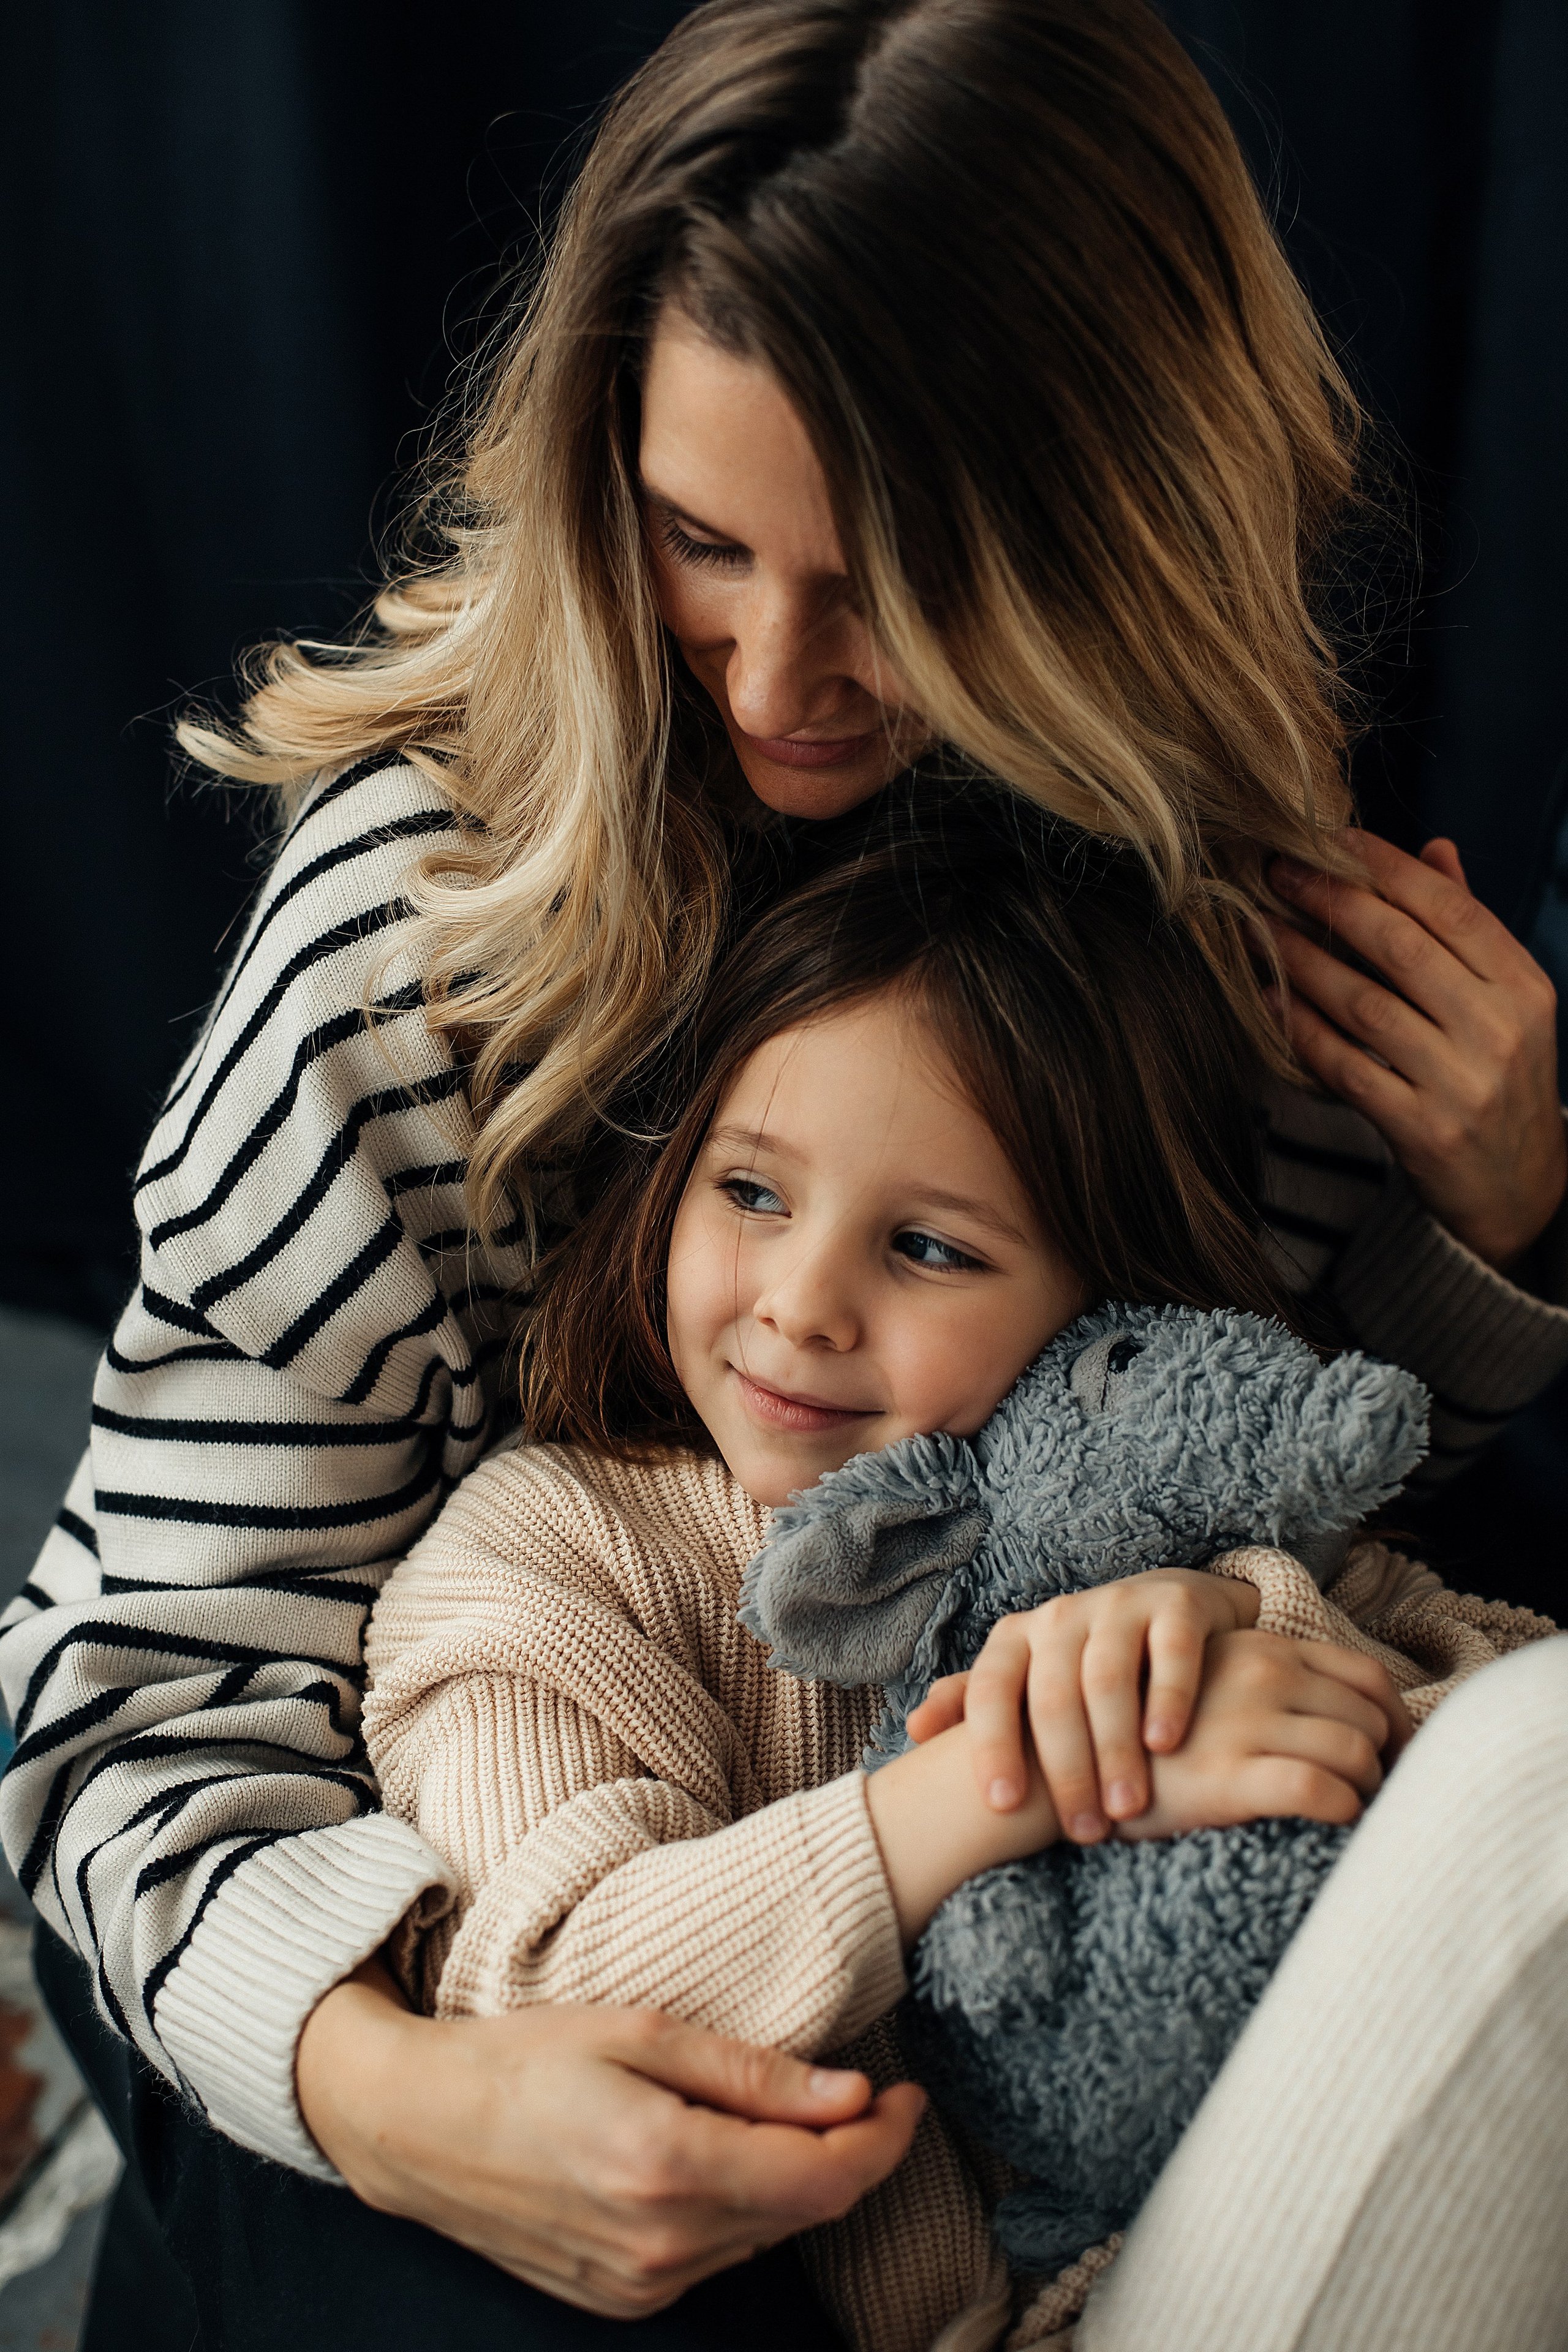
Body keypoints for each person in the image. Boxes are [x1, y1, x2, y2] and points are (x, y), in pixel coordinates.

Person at [2, 0, 1564, 2340]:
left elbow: (1240, 1456)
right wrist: (404, 2100)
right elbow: (137, 1706)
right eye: (699, 542)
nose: (770, 681)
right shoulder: (415, 940)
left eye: (899, 581)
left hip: (972, 2030)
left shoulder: (1239, 939)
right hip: (396, 1920)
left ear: (1117, 530)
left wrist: (1499, 1221)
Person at [362, 801, 1419, 2352]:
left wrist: (1237, 1626)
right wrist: (1014, 1776)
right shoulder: (539, 1563)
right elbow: (546, 1990)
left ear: (1100, 1301)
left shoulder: (1130, 1507)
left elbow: (1484, 1706)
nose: (800, 1304)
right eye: (751, 1192)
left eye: (927, 1248)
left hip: (1268, 2233)